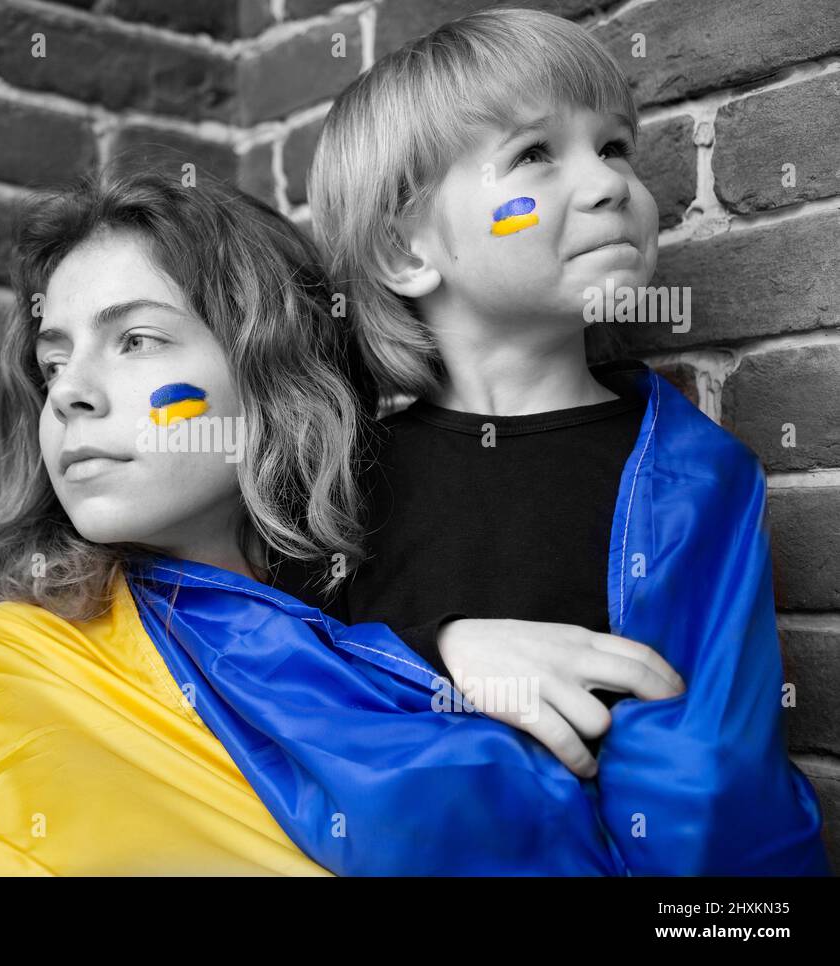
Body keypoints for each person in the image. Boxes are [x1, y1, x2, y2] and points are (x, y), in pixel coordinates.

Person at [0, 167, 633, 876]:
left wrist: (432, 655)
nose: (70, 393)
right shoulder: (8, 670)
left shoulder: (408, 617)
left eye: (136, 341)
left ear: (273, 376)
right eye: (53, 363)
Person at [276, 5, 830, 874]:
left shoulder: (699, 479)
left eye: (614, 146)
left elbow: (715, 786)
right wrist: (436, 651)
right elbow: (270, 683)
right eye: (536, 154)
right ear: (405, 249)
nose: (611, 184)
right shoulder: (337, 483)